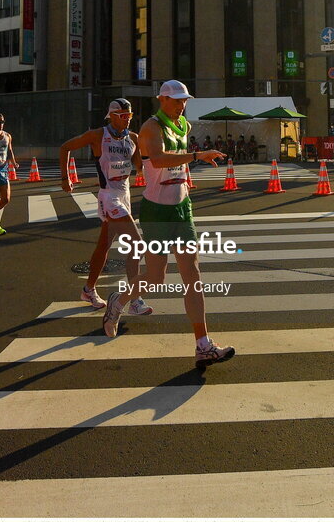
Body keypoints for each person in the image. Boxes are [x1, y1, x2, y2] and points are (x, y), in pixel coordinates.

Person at [101, 80, 235, 368]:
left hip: (182, 208)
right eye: (175, 100)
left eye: (183, 100)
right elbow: (159, 160)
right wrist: (198, 156)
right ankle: (119, 300)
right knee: (156, 277)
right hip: (157, 212)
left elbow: (176, 164)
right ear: (161, 99)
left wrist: (185, 178)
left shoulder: (184, 125)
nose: (181, 104)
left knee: (193, 275)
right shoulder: (150, 128)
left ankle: (203, 344)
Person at [59, 99, 152, 313]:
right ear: (111, 115)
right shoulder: (98, 135)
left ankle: (88, 289)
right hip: (109, 196)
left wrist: (150, 156)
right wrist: (66, 178)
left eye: (129, 115)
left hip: (124, 194)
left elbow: (140, 166)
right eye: (122, 115)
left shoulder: (134, 138)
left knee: (104, 247)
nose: (127, 119)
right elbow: (65, 148)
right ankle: (134, 300)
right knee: (137, 244)